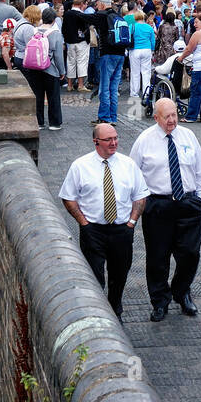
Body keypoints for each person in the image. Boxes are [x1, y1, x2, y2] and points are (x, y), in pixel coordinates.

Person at [129, 98, 201, 321]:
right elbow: (132, 175)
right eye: (167, 117)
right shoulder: (145, 140)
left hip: (188, 204)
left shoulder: (188, 137)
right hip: (158, 205)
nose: (172, 120)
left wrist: (200, 200)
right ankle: (159, 301)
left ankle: (182, 291)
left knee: (190, 254)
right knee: (157, 257)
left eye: (174, 115)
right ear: (156, 118)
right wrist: (140, 205)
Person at [59, 124, 147, 318]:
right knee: (93, 276)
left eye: (116, 138)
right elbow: (68, 197)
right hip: (93, 231)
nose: (114, 143)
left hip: (121, 230)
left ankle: (115, 309)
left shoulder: (128, 165)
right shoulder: (80, 166)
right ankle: (97, 313)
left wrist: (131, 223)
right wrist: (84, 223)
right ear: (96, 141)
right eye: (108, 139)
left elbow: (140, 196)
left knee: (120, 274)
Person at [89, 0, 130, 124]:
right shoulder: (118, 16)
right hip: (120, 54)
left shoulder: (104, 16)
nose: (96, 6)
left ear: (102, 3)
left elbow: (86, 18)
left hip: (108, 54)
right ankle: (113, 117)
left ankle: (104, 117)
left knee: (105, 87)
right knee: (113, 88)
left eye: (97, 4)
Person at [26, 7, 67, 129]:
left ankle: (39, 122)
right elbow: (58, 55)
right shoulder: (55, 34)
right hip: (50, 68)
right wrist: (62, 71)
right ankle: (54, 123)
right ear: (54, 20)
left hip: (34, 67)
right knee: (53, 96)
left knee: (37, 96)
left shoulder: (33, 31)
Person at [62, 0, 92, 92]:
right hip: (81, 42)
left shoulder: (66, 14)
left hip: (70, 42)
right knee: (81, 62)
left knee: (70, 62)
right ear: (81, 4)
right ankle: (80, 84)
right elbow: (85, 29)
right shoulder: (81, 15)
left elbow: (64, 29)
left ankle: (70, 85)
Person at [128, 6, 156, 100]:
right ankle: (146, 92)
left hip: (135, 50)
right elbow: (153, 41)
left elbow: (128, 39)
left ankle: (134, 92)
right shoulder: (149, 27)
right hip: (147, 50)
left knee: (135, 72)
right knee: (146, 72)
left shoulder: (131, 27)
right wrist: (152, 50)